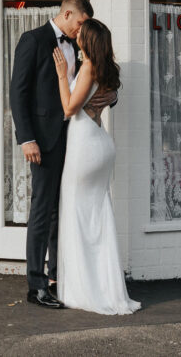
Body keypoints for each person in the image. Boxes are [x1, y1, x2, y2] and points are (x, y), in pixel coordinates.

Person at [10, 0, 93, 309]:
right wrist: (26, 137)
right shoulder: (34, 40)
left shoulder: (78, 47)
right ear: (69, 14)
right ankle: (36, 285)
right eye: (81, 23)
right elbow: (18, 93)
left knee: (63, 209)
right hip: (42, 140)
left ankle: (57, 277)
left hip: (72, 138)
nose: (82, 30)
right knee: (42, 210)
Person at [51, 19, 140, 315]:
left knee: (77, 216)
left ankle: (84, 290)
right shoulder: (105, 69)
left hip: (85, 146)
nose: (76, 35)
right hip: (99, 142)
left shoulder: (88, 68)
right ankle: (105, 287)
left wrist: (63, 75)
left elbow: (68, 108)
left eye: (81, 34)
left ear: (88, 41)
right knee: (98, 217)